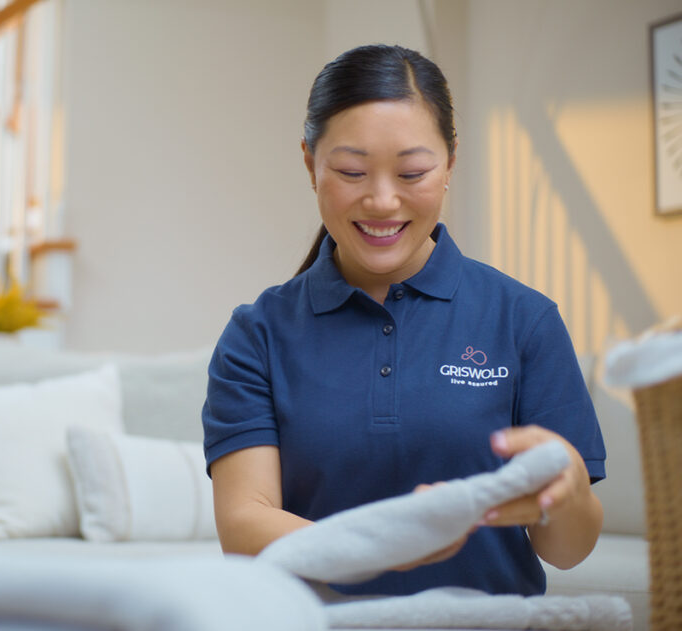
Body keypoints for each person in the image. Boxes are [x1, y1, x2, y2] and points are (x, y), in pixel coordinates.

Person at [202, 45, 605, 598]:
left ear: (450, 165)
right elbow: (245, 525)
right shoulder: (258, 334)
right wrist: (393, 546)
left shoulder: (524, 320)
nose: (383, 200)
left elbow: (568, 551)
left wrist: (570, 489)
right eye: (351, 171)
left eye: (412, 171)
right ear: (308, 164)